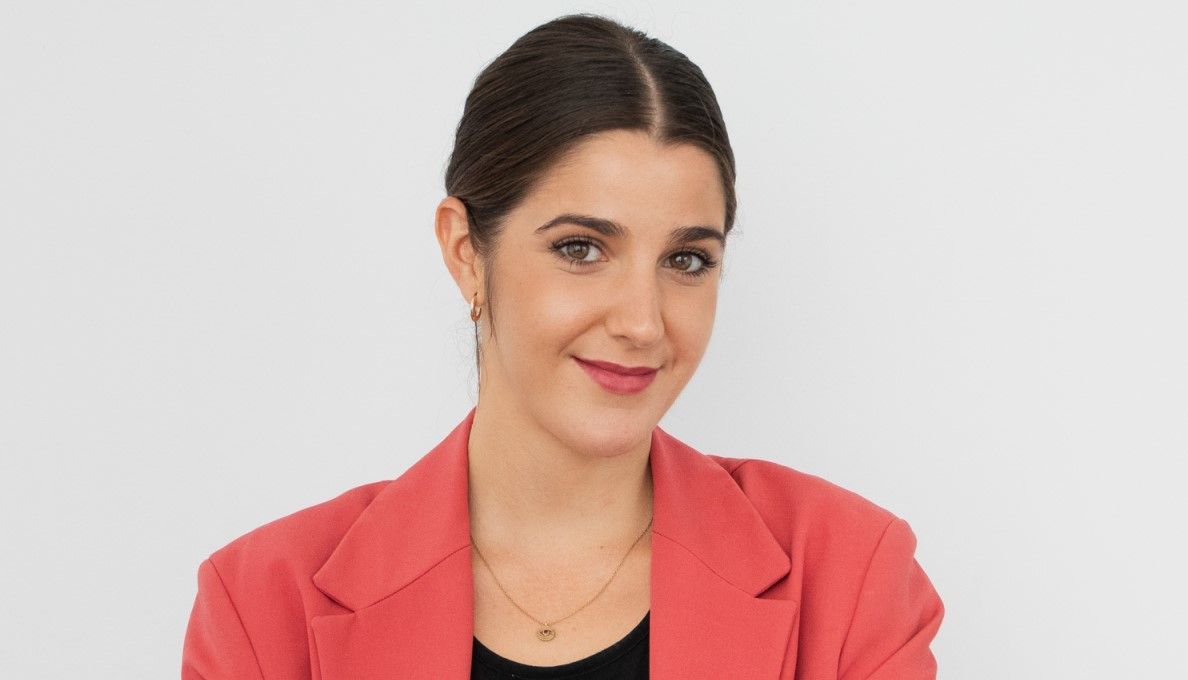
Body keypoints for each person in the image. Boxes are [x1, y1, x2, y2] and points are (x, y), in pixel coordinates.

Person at [182, 13, 944, 680]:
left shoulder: (848, 572)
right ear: (465, 252)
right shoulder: (264, 603)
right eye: (581, 249)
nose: (642, 323)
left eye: (686, 260)